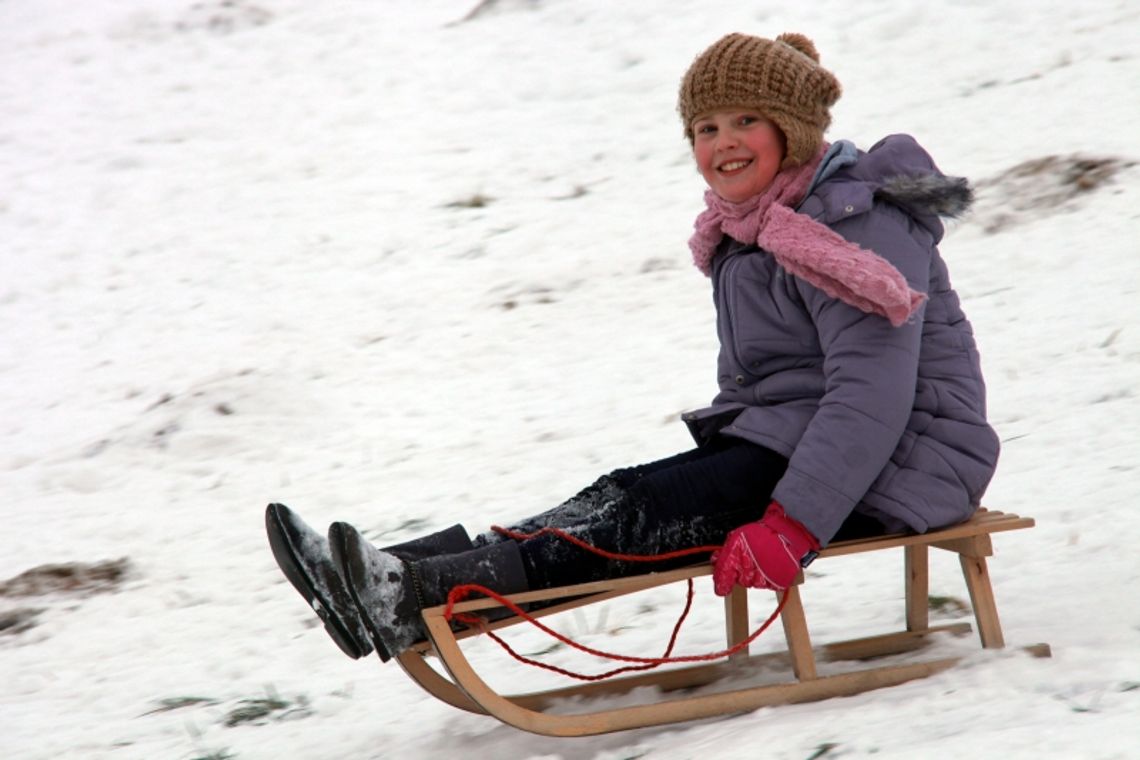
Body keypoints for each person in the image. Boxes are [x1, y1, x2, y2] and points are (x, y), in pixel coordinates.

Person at [265, 31, 1000, 664]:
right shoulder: (759, 229)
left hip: (903, 461)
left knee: (645, 512)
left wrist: (794, 525)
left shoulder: (849, 229)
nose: (723, 142)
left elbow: (872, 396)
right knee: (619, 495)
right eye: (705, 128)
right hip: (806, 443)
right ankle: (398, 574)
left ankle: (418, 596)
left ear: (794, 130)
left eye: (746, 120)